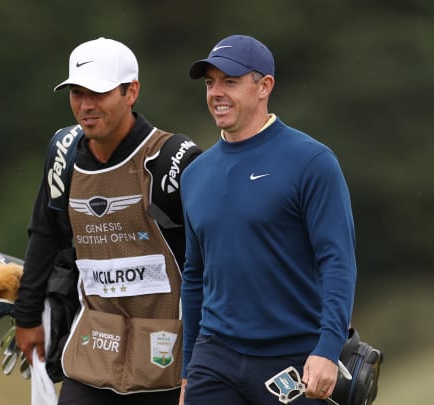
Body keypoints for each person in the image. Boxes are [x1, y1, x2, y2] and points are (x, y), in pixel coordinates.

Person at [13, 37, 201, 405]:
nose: (85, 105)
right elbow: (45, 234)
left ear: (131, 92)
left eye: (98, 93)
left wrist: (204, 359)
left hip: (167, 359)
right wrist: (27, 316)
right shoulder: (64, 153)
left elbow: (209, 261)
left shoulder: (171, 160)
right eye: (77, 93)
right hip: (93, 351)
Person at [179, 35, 357, 404]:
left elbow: (337, 260)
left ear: (264, 87)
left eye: (230, 81)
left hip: (293, 360)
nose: (216, 93)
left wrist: (328, 348)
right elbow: (195, 276)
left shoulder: (312, 162)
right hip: (215, 358)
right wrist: (187, 372)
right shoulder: (195, 174)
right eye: (211, 83)